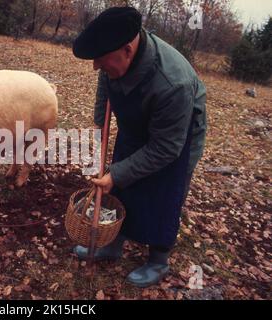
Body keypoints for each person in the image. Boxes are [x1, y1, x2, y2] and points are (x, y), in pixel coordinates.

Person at [72, 6, 207, 288]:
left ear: (127, 50)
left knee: (165, 192)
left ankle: (159, 259)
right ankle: (113, 244)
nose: (97, 66)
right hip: (137, 122)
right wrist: (100, 122)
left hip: (176, 139)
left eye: (102, 60)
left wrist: (117, 173)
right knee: (121, 181)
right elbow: (104, 83)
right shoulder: (112, 56)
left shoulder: (173, 83)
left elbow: (166, 148)